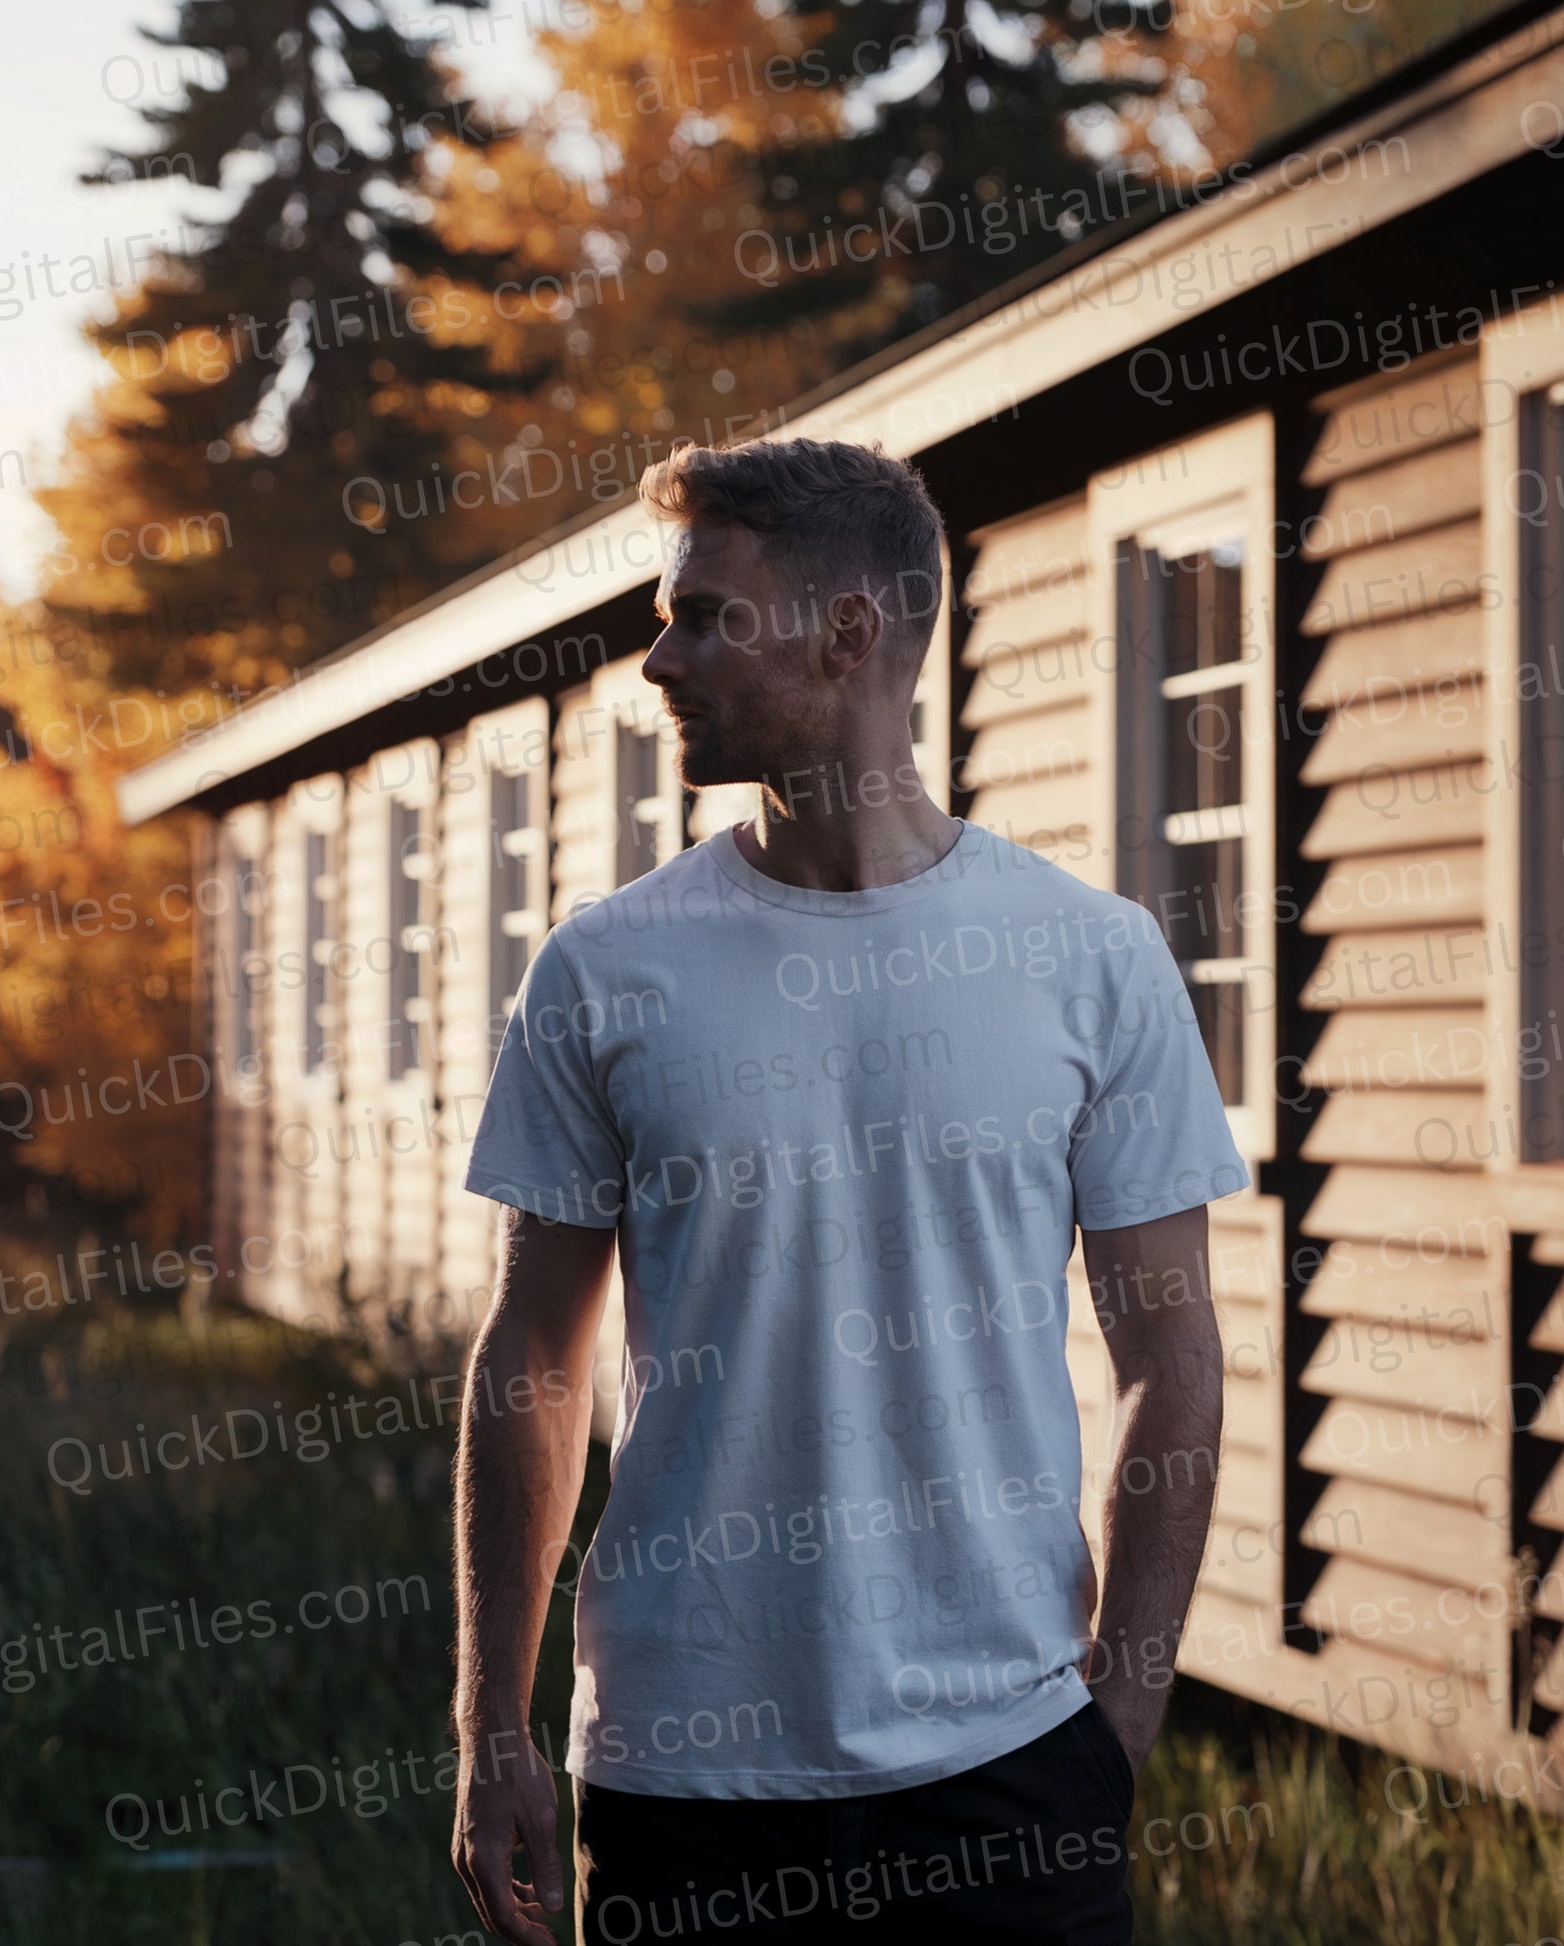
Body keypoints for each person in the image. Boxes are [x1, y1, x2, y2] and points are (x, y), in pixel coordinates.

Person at [449, 436, 1246, 1944]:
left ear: (847, 631)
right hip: (682, 1778)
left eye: (700, 616)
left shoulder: (1088, 957)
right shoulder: (604, 968)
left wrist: (1117, 1716)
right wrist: (492, 1722)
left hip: (1008, 1772)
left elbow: (1172, 1354)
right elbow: (530, 1358)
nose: (656, 660)